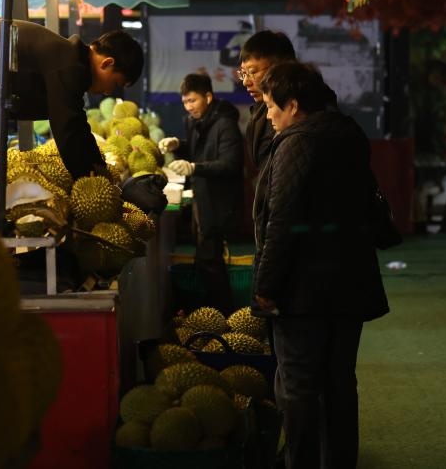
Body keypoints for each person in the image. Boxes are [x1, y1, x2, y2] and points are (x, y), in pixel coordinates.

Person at [251, 62, 388, 469]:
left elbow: (283, 220)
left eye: (272, 106)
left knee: (300, 388)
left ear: (293, 105)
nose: (268, 115)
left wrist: (266, 284)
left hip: (304, 290)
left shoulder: (297, 142)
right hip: (349, 283)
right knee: (340, 383)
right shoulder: (348, 134)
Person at [0, 20, 144, 179]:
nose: (108, 92)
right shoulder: (68, 62)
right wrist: (90, 177)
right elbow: (67, 128)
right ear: (107, 63)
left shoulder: (70, 60)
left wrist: (98, 167)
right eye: (115, 84)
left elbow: (76, 123)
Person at [160, 73, 244, 312]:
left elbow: (231, 164)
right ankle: (214, 313)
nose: (189, 107)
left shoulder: (225, 124)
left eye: (193, 101)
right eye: (185, 102)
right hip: (201, 198)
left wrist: (195, 167)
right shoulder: (194, 121)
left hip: (220, 202)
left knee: (210, 260)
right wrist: (179, 146)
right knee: (205, 260)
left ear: (208, 96)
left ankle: (224, 315)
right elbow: (197, 150)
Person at [237, 31, 296, 176]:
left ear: (281, 67)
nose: (246, 81)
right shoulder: (260, 111)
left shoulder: (303, 113)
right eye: (243, 73)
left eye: (252, 72)